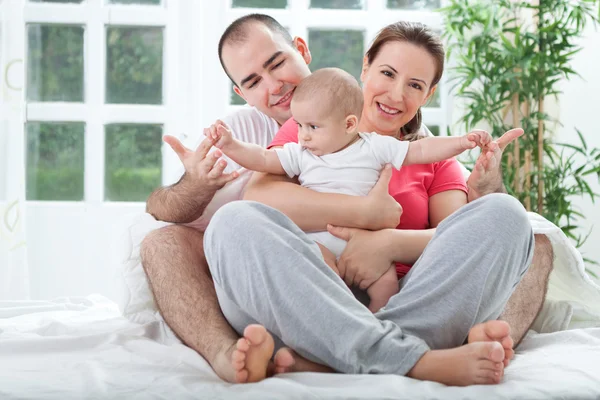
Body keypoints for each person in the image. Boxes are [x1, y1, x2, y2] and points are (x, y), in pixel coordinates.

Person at [141, 14, 553, 385]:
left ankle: (325, 357)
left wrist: (386, 243)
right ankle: (417, 359)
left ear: (427, 95)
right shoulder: (315, 127)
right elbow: (261, 196)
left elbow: (452, 236)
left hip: (407, 297)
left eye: (414, 85)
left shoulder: (428, 157)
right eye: (387, 74)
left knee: (507, 214)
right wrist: (367, 215)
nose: (396, 93)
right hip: (309, 293)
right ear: (365, 69)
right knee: (233, 222)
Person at [209, 67, 493, 312]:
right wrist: (230, 146)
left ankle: (380, 322)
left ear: (348, 124)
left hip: (370, 246)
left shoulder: (373, 146)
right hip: (320, 240)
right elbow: (261, 159)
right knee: (316, 266)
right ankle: (342, 315)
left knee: (387, 285)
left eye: (313, 127)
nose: (303, 134)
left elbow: (419, 149)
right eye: (299, 125)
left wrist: (460, 142)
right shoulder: (301, 153)